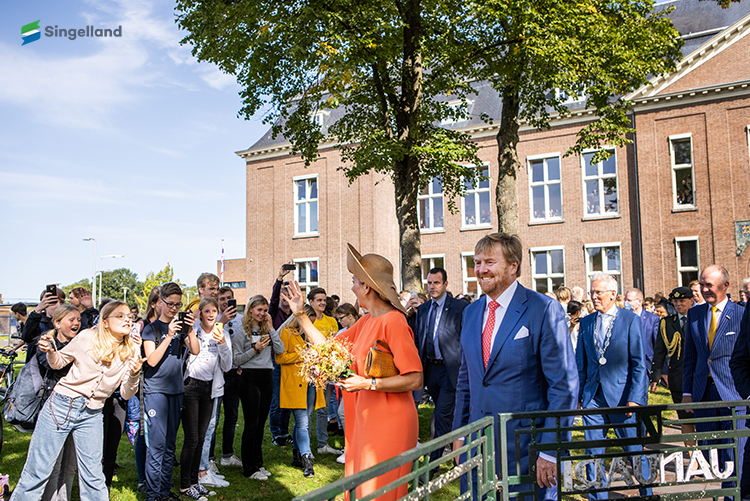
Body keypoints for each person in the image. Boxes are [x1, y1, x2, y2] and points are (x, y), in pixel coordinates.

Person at [282, 244, 423, 500]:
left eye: (354, 281)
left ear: (367, 287)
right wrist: (300, 314)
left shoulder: (394, 321)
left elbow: (415, 378)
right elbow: (328, 347)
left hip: (389, 421)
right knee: (358, 490)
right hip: (364, 419)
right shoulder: (367, 321)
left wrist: (368, 384)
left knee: (379, 493)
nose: (351, 287)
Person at [452, 233, 578, 500]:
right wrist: (460, 436)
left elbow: (563, 386)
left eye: (489, 262)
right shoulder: (470, 313)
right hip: (477, 448)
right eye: (477, 262)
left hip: (526, 451)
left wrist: (549, 450)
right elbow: (467, 381)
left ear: (513, 266)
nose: (481, 270)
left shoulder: (544, 309)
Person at [10, 301, 143, 501]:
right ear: (105, 321)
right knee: (37, 473)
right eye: (120, 316)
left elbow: (125, 393)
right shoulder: (87, 337)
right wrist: (52, 352)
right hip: (62, 405)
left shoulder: (131, 349)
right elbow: (58, 363)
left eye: (129, 317)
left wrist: (134, 374)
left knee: (94, 478)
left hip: (93, 413)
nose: (127, 320)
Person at [577, 273, 651, 499]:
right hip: (593, 398)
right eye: (591, 293)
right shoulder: (587, 322)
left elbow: (639, 362)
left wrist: (636, 397)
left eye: (598, 292)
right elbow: (581, 362)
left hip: (623, 398)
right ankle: (597, 496)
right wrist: (580, 395)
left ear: (612, 294)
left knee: (634, 450)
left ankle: (646, 493)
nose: (594, 297)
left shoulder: (630, 320)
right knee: (593, 453)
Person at [684, 265, 746, 496]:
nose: (704, 289)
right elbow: (690, 357)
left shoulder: (740, 315)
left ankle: (733, 497)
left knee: (734, 458)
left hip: (733, 395)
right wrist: (687, 393)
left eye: (709, 284)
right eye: (702, 284)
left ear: (725, 286)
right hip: (704, 396)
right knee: (712, 457)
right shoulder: (695, 314)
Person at [142, 283, 201, 501]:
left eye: (178, 305)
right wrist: (168, 336)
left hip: (176, 391)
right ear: (160, 302)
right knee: (156, 446)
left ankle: (165, 492)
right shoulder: (152, 329)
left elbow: (195, 350)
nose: (174, 309)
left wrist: (191, 330)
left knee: (169, 446)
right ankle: (153, 494)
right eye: (170, 304)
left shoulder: (181, 328)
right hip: (156, 391)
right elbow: (151, 360)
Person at [413, 267, 467, 474]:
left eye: (436, 283)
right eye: (429, 283)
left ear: (445, 284)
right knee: (448, 415)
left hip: (450, 370)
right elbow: (419, 337)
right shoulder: (424, 309)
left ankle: (432, 464)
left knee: (441, 415)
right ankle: (458, 450)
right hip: (430, 370)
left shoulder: (460, 308)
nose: (432, 287)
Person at [181, 298, 232, 500]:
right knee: (192, 438)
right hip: (191, 387)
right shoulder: (193, 330)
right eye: (207, 311)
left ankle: (195, 482)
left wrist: (222, 345)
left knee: (201, 438)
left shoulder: (223, 334)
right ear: (200, 313)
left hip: (210, 389)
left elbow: (228, 366)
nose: (211, 314)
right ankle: (185, 485)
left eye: (214, 311)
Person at [232, 295, 285, 480]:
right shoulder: (241, 332)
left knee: (261, 423)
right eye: (259, 310)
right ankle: (249, 468)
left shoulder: (267, 330)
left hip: (266, 376)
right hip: (249, 377)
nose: (262, 313)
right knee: (251, 423)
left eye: (265, 310)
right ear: (250, 310)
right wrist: (254, 349)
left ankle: (257, 463)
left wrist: (271, 329)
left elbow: (280, 350)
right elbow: (236, 359)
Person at [35, 305, 81, 501]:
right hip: (54, 408)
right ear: (57, 323)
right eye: (71, 320)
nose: (77, 323)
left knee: (70, 465)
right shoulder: (46, 344)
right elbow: (53, 366)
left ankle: (65, 498)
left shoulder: (81, 343)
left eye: (79, 319)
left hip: (78, 408)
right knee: (53, 463)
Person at [276, 305, 325, 477]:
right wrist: (302, 355)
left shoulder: (311, 335)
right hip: (294, 384)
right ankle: (307, 459)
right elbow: (279, 358)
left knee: (304, 421)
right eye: (308, 321)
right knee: (303, 423)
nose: (310, 324)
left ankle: (296, 455)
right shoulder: (287, 333)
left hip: (310, 382)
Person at [650, 287, 695, 439]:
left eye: (682, 301)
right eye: (675, 301)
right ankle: (693, 458)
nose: (678, 304)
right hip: (677, 376)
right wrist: (655, 376)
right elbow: (659, 351)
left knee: (703, 420)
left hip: (698, 376)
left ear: (692, 301)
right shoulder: (667, 323)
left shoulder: (699, 319)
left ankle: (706, 456)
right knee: (685, 419)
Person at [307, 286, 343, 456]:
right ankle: (305, 447)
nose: (322, 302)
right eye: (318, 300)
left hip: (327, 371)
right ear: (311, 302)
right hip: (310, 371)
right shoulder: (307, 321)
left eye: (324, 299)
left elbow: (335, 345)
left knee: (324, 409)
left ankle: (322, 445)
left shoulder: (332, 321)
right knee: (307, 411)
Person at [211, 287, 243, 473]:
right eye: (222, 299)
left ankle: (227, 454)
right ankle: (210, 458)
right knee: (213, 418)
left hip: (235, 372)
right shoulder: (214, 320)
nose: (225, 302)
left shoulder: (240, 319)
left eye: (228, 298)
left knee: (231, 416)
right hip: (217, 373)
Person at [269, 264, 294, 446]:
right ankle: (276, 433)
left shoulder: (295, 315)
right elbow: (273, 298)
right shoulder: (273, 313)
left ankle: (285, 433)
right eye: (283, 295)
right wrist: (279, 279)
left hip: (291, 360)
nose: (285, 298)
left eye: (289, 295)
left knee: (288, 399)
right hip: (276, 360)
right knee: (277, 399)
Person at [624, 288, 660, 382]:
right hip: (625, 364)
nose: (626, 302)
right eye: (625, 300)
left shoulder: (652, 319)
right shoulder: (621, 318)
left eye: (629, 300)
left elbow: (657, 345)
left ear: (639, 301)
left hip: (645, 363)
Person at [24, 288, 66, 364]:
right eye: (53, 302)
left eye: (62, 302)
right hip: (38, 371)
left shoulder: (68, 322)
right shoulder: (37, 321)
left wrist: (89, 308)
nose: (59, 306)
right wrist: (37, 311)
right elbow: (27, 337)